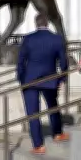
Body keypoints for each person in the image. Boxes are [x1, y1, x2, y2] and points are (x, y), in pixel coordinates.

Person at [16, 13, 69, 154]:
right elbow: (63, 61)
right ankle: (57, 133)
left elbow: (21, 61)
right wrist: (62, 78)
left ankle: (38, 145)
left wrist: (21, 79)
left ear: (36, 23)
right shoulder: (57, 39)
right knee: (53, 107)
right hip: (50, 79)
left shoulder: (28, 39)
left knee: (33, 113)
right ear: (48, 23)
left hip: (30, 80)